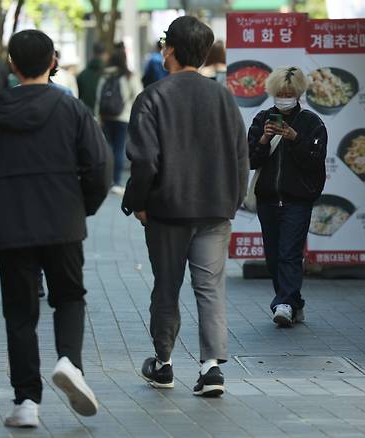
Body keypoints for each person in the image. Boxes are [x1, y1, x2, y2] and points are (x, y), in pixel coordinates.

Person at [0, 30, 112, 428]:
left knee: (20, 314)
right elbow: (101, 166)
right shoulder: (71, 110)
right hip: (63, 222)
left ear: (12, 65)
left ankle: (26, 402)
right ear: (53, 61)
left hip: (11, 227)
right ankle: (69, 363)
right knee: (69, 297)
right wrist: (83, 207)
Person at [121, 16, 248, 397]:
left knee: (166, 286)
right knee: (210, 288)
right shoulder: (223, 96)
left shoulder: (153, 97)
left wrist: (138, 202)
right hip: (215, 208)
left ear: (170, 50)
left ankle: (163, 364)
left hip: (167, 209)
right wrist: (234, 199)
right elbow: (240, 155)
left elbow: (144, 160)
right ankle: (212, 369)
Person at [247, 66, 327, 327]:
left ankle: (283, 304)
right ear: (272, 92)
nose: (284, 97)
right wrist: (263, 139)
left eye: (289, 93)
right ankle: (293, 302)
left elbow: (315, 162)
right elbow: (249, 159)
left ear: (299, 94)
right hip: (268, 198)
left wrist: (295, 138)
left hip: (298, 199)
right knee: (273, 255)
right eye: (280, 93)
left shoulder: (311, 123)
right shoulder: (262, 119)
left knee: (290, 253)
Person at [96, 46, 142, 195]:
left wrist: (98, 116)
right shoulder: (129, 76)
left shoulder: (104, 75)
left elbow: (98, 98)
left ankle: (106, 180)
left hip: (106, 116)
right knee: (119, 148)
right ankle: (116, 182)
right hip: (123, 117)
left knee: (108, 149)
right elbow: (139, 96)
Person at [77, 42, 107, 110]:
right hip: (105, 115)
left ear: (93, 53)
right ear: (105, 54)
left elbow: (77, 96)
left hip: (87, 113)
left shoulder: (82, 74)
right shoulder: (107, 74)